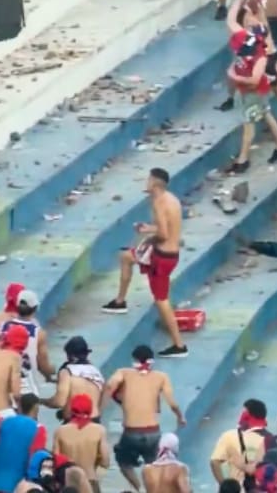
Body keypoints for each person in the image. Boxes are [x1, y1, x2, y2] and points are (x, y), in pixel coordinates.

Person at [102, 168, 189, 358]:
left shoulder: (158, 203)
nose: (146, 182)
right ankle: (120, 301)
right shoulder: (171, 199)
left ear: (155, 184)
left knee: (161, 300)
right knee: (126, 257)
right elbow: (166, 227)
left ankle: (179, 345)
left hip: (161, 257)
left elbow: (163, 234)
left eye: (149, 179)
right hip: (165, 254)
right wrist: (149, 228)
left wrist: (149, 237)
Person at [101, 345, 186, 490]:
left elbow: (109, 386)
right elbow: (172, 403)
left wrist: (99, 411)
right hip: (153, 433)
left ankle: (138, 487)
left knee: (124, 462)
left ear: (134, 360)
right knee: (153, 468)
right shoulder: (161, 377)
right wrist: (180, 417)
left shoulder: (124, 373)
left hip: (131, 432)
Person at [52, 394, 109, 491]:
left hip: (67, 484)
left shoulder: (60, 431)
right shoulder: (99, 430)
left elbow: (55, 462)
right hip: (90, 481)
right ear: (90, 409)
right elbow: (106, 462)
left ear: (72, 409)